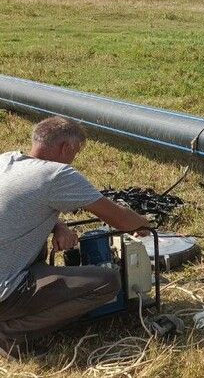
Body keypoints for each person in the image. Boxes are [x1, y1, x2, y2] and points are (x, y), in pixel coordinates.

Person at [0, 117, 149, 360]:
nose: (74, 158)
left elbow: (17, 207)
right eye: (76, 152)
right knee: (107, 282)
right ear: (66, 148)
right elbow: (120, 220)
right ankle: (11, 333)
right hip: (4, 294)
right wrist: (144, 224)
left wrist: (58, 225)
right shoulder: (57, 175)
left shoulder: (7, 160)